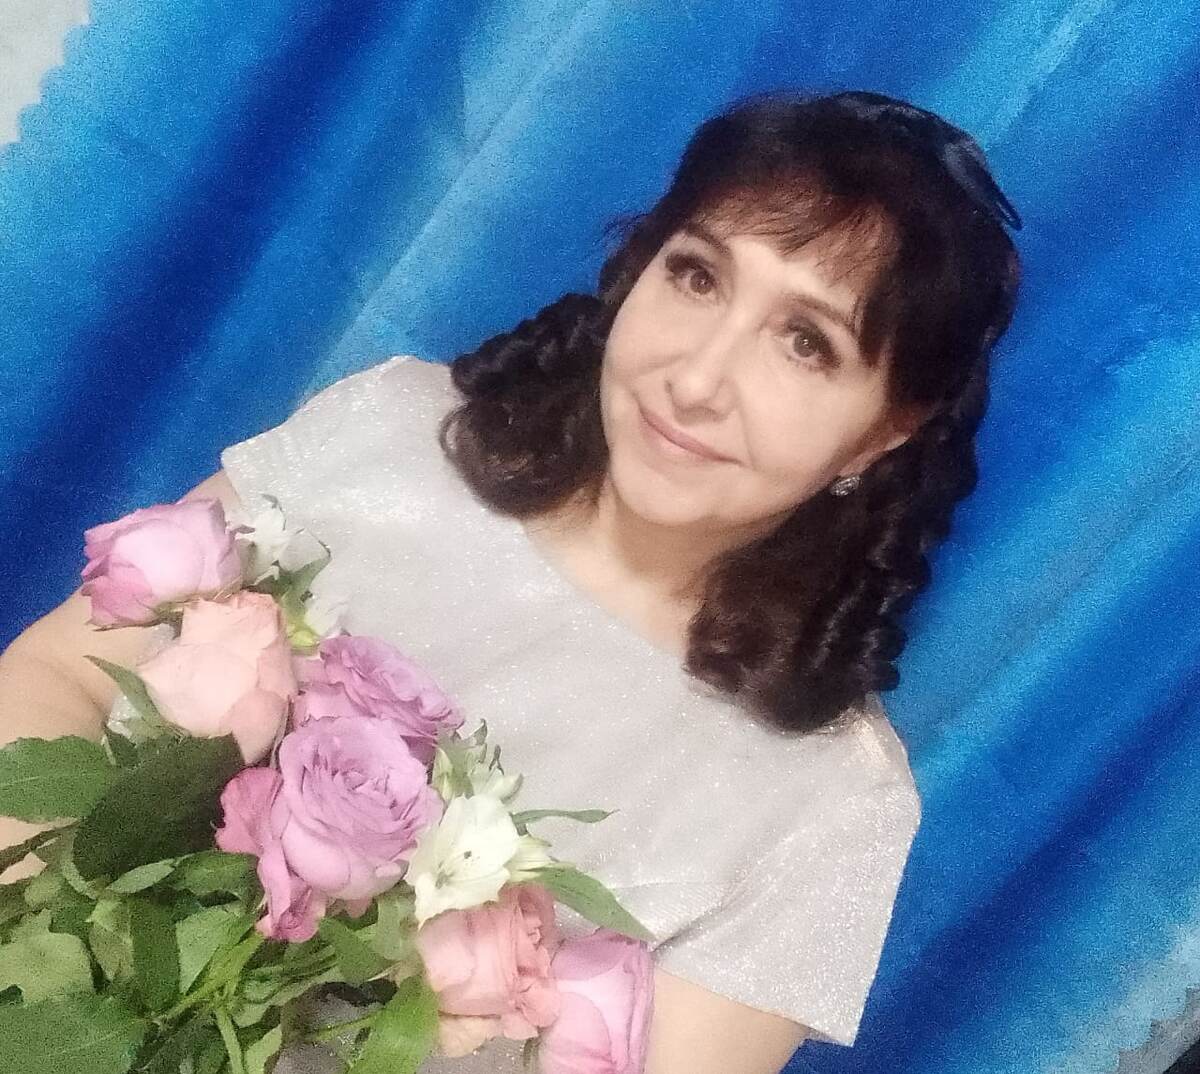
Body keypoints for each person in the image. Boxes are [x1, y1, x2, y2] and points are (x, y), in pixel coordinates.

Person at [0, 90, 1021, 1073]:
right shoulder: (388, 437)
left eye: (806, 343)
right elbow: (61, 674)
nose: (698, 379)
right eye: (698, 277)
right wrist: (70, 991)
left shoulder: (831, 807)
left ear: (887, 433)